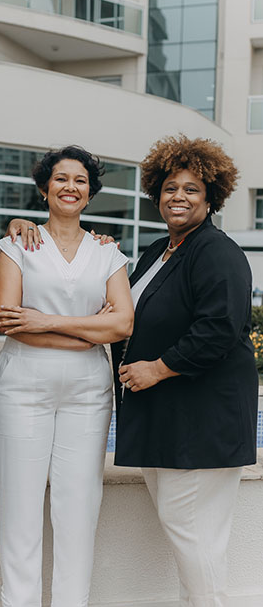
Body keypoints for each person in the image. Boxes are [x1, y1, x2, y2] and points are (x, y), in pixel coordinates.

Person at [112, 135, 259, 607]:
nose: (179, 196)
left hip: (202, 419)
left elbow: (220, 328)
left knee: (191, 531)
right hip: (168, 417)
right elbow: (127, 313)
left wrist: (157, 368)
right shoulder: (159, 251)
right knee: (190, 534)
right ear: (156, 194)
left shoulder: (216, 251)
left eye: (192, 189)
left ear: (211, 197)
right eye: (170, 188)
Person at [0, 145, 134, 607]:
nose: (70, 187)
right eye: (61, 178)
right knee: (20, 510)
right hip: (23, 388)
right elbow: (10, 321)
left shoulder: (107, 253)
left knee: (79, 509)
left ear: (89, 193)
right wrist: (88, 333)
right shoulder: (16, 246)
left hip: (88, 393)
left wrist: (47, 321)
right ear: (44, 188)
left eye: (80, 181)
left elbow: (122, 324)